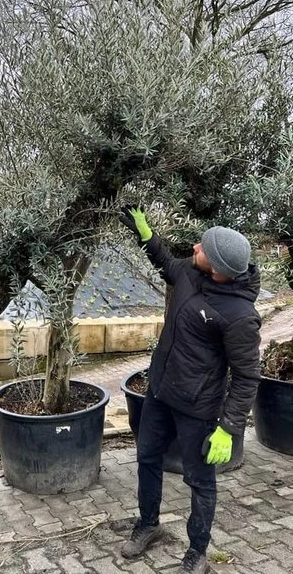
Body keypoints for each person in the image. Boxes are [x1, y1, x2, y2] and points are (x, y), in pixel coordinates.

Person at [118, 206, 261, 574]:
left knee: (199, 481)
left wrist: (230, 427)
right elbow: (166, 262)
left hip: (198, 408)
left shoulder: (240, 316)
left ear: (218, 268)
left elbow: (247, 376)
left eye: (203, 248)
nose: (195, 246)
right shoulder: (190, 271)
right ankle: (148, 524)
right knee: (148, 458)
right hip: (159, 392)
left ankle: (198, 552)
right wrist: (147, 236)